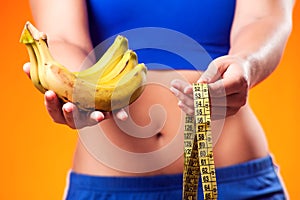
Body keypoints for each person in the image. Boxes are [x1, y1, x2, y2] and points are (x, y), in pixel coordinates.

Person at [23, 0, 294, 199]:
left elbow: (264, 18)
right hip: (110, 185)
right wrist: (77, 93)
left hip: (234, 183)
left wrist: (246, 63)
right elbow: (62, 38)